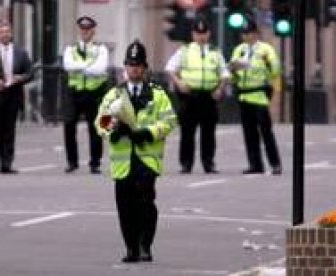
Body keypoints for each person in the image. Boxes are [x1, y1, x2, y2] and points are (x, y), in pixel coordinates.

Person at [95, 40, 177, 263]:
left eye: (139, 64)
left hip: (146, 159)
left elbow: (170, 121)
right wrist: (113, 129)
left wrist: (148, 132)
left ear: (145, 68)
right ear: (125, 67)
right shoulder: (114, 94)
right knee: (125, 206)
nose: (135, 69)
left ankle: (145, 245)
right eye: (131, 64)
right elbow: (100, 122)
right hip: (123, 162)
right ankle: (130, 247)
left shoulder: (157, 94)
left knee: (145, 205)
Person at [165, 15, 230, 174]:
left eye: (204, 33)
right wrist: (179, 83)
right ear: (193, 34)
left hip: (208, 96)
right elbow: (170, 68)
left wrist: (220, 88)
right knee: (187, 132)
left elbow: (224, 73)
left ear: (208, 34)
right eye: (198, 33)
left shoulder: (215, 52)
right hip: (190, 96)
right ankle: (186, 163)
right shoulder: (185, 50)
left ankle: (208, 163)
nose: (201, 36)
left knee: (208, 132)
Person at [228, 17, 282, 175]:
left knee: (266, 132)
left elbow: (276, 70)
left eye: (250, 33)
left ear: (256, 34)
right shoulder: (239, 50)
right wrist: (233, 70)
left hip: (259, 95)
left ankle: (275, 164)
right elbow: (232, 73)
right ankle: (255, 164)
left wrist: (268, 63)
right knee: (249, 134)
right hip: (244, 96)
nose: (247, 36)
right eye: (245, 33)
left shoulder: (266, 49)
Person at [0, 21, 32, 174]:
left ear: (11, 33)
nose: (5, 35)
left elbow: (30, 73)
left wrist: (20, 78)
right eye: (2, 32)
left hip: (12, 97)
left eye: (7, 32)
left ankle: (6, 165)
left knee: (9, 132)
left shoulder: (21, 53)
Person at [62, 15, 109, 174]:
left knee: (96, 128)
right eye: (82, 29)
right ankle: (72, 162)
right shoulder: (70, 48)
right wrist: (88, 66)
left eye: (88, 30)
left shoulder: (101, 48)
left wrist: (80, 67)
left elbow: (100, 69)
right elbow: (68, 65)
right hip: (74, 91)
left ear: (93, 31)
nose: (85, 32)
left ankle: (95, 163)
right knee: (69, 125)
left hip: (94, 92)